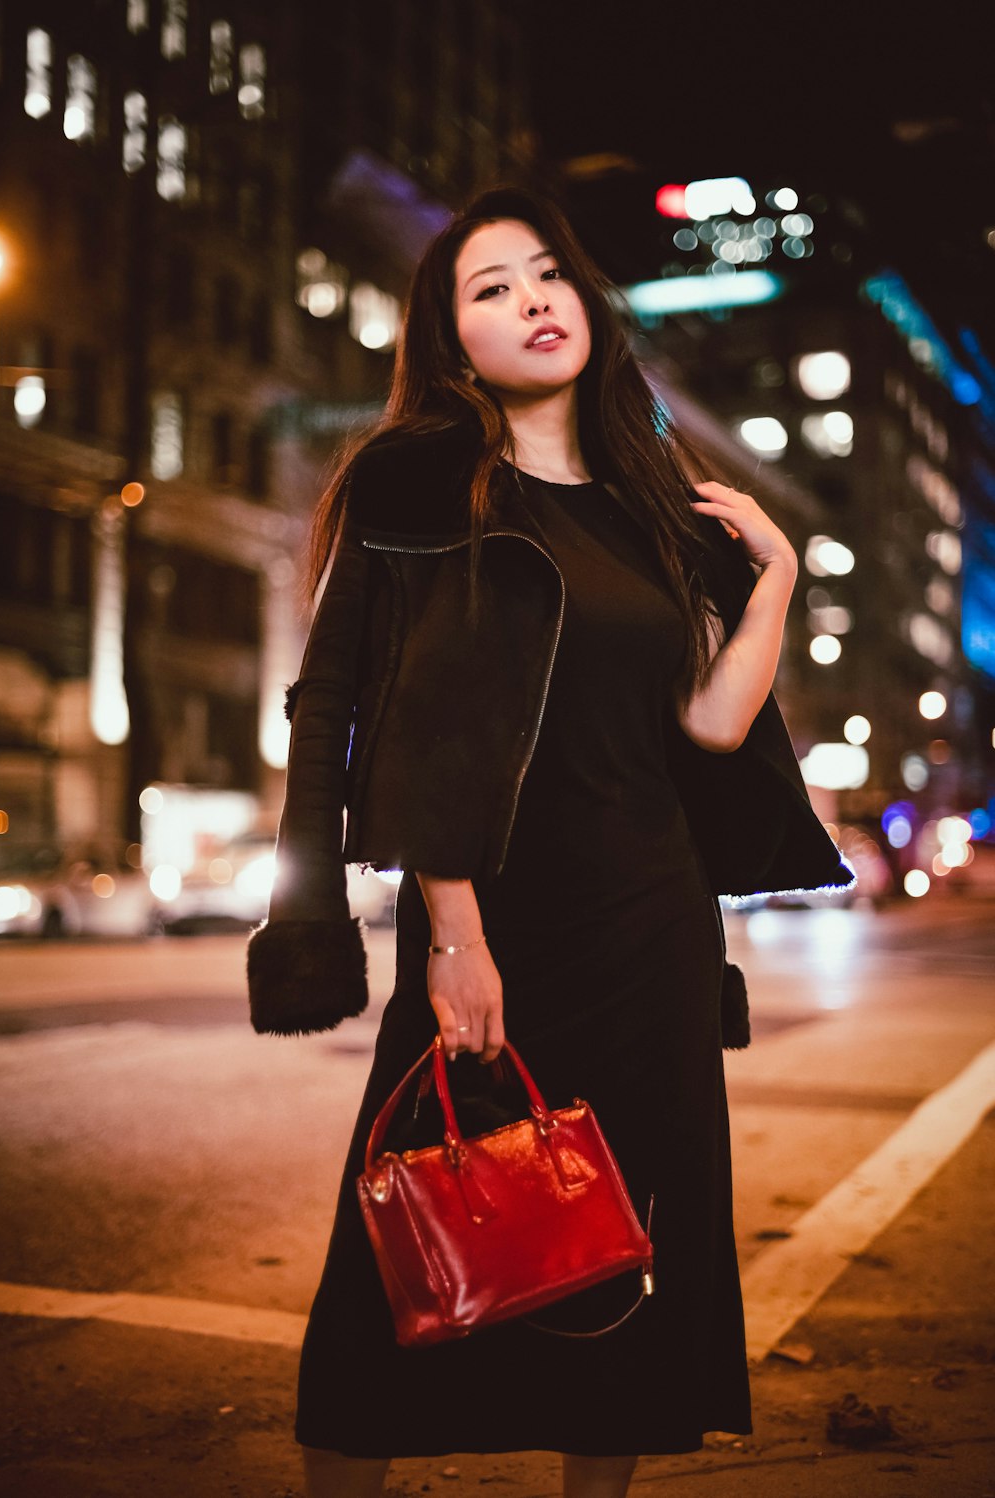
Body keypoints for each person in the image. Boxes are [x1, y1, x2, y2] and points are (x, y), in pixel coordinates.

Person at [247, 185, 855, 1498]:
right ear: (454, 341)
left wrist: (779, 580)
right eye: (489, 287)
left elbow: (705, 723)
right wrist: (453, 935)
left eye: (547, 274)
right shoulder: (418, 485)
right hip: (500, 923)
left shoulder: (649, 508)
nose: (531, 298)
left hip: (653, 928)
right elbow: (381, 712)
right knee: (397, 1275)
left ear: (585, 302)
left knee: (626, 1267)